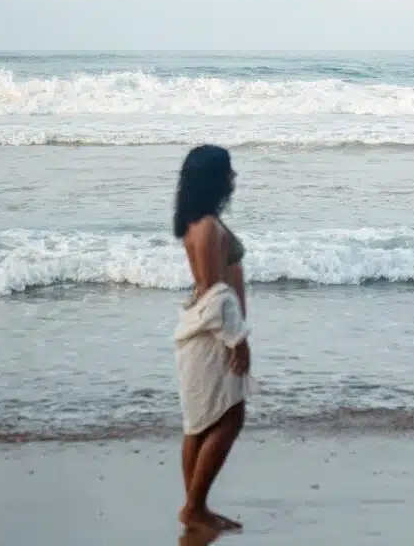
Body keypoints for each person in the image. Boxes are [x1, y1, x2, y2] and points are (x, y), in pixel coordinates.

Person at [173, 144, 252, 534]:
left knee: (201, 422)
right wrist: (238, 339)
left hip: (213, 332)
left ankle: (196, 507)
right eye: (228, 171)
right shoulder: (205, 226)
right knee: (229, 417)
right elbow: (214, 293)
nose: (234, 177)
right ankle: (194, 507)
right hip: (214, 335)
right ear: (213, 178)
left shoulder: (204, 221)